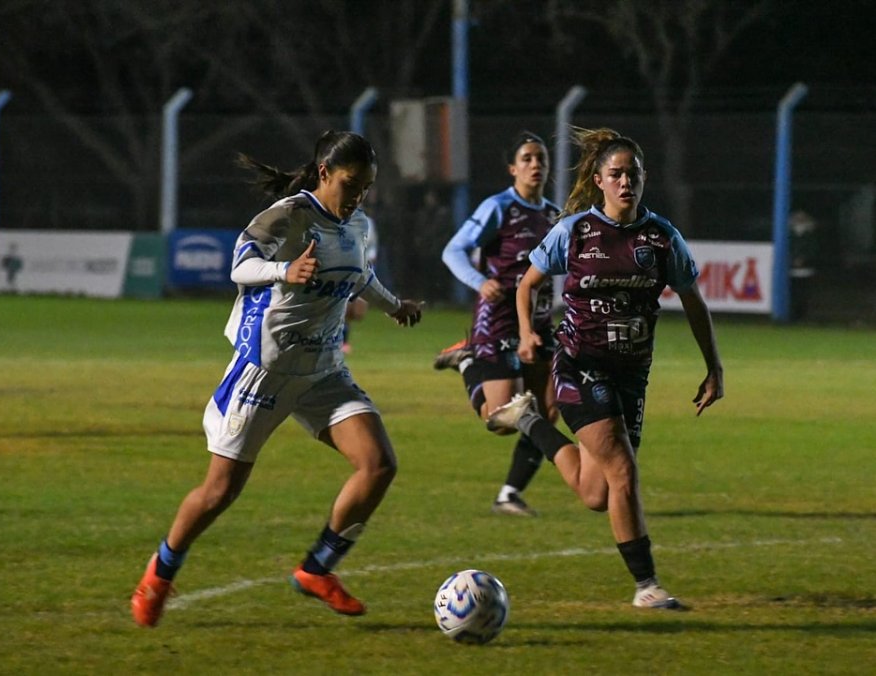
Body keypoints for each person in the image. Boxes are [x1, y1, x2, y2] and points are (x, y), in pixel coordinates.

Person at [131, 130, 423, 627]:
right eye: (351, 184)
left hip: (323, 371)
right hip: (264, 371)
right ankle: (159, 573)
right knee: (219, 492)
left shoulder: (358, 224)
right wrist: (285, 271)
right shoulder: (290, 216)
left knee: (378, 464)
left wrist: (396, 307)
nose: (358, 196)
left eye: (367, 188)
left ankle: (317, 570)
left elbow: (360, 277)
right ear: (325, 173)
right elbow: (239, 268)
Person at [487, 127, 723, 608]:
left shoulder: (661, 238)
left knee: (597, 493)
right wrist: (531, 332)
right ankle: (647, 587)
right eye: (615, 174)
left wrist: (713, 366)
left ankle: (529, 419)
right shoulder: (574, 231)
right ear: (599, 180)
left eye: (632, 174)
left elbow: (694, 302)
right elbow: (526, 284)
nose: (624, 183)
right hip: (579, 366)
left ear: (643, 179)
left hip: (631, 377)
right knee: (623, 469)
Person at [434, 131, 560, 517]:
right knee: (501, 420)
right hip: (500, 320)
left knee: (548, 410)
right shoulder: (499, 207)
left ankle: (509, 494)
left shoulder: (554, 215)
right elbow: (452, 249)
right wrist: (479, 281)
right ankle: (469, 360)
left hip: (538, 322)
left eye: (540, 157)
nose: (535, 164)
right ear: (512, 168)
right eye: (527, 158)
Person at [341, 212, 378, 353]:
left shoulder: (368, 223)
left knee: (355, 309)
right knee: (342, 304)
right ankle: (340, 340)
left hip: (363, 269)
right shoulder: (340, 222)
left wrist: (371, 261)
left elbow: (373, 246)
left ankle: (344, 340)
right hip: (345, 268)